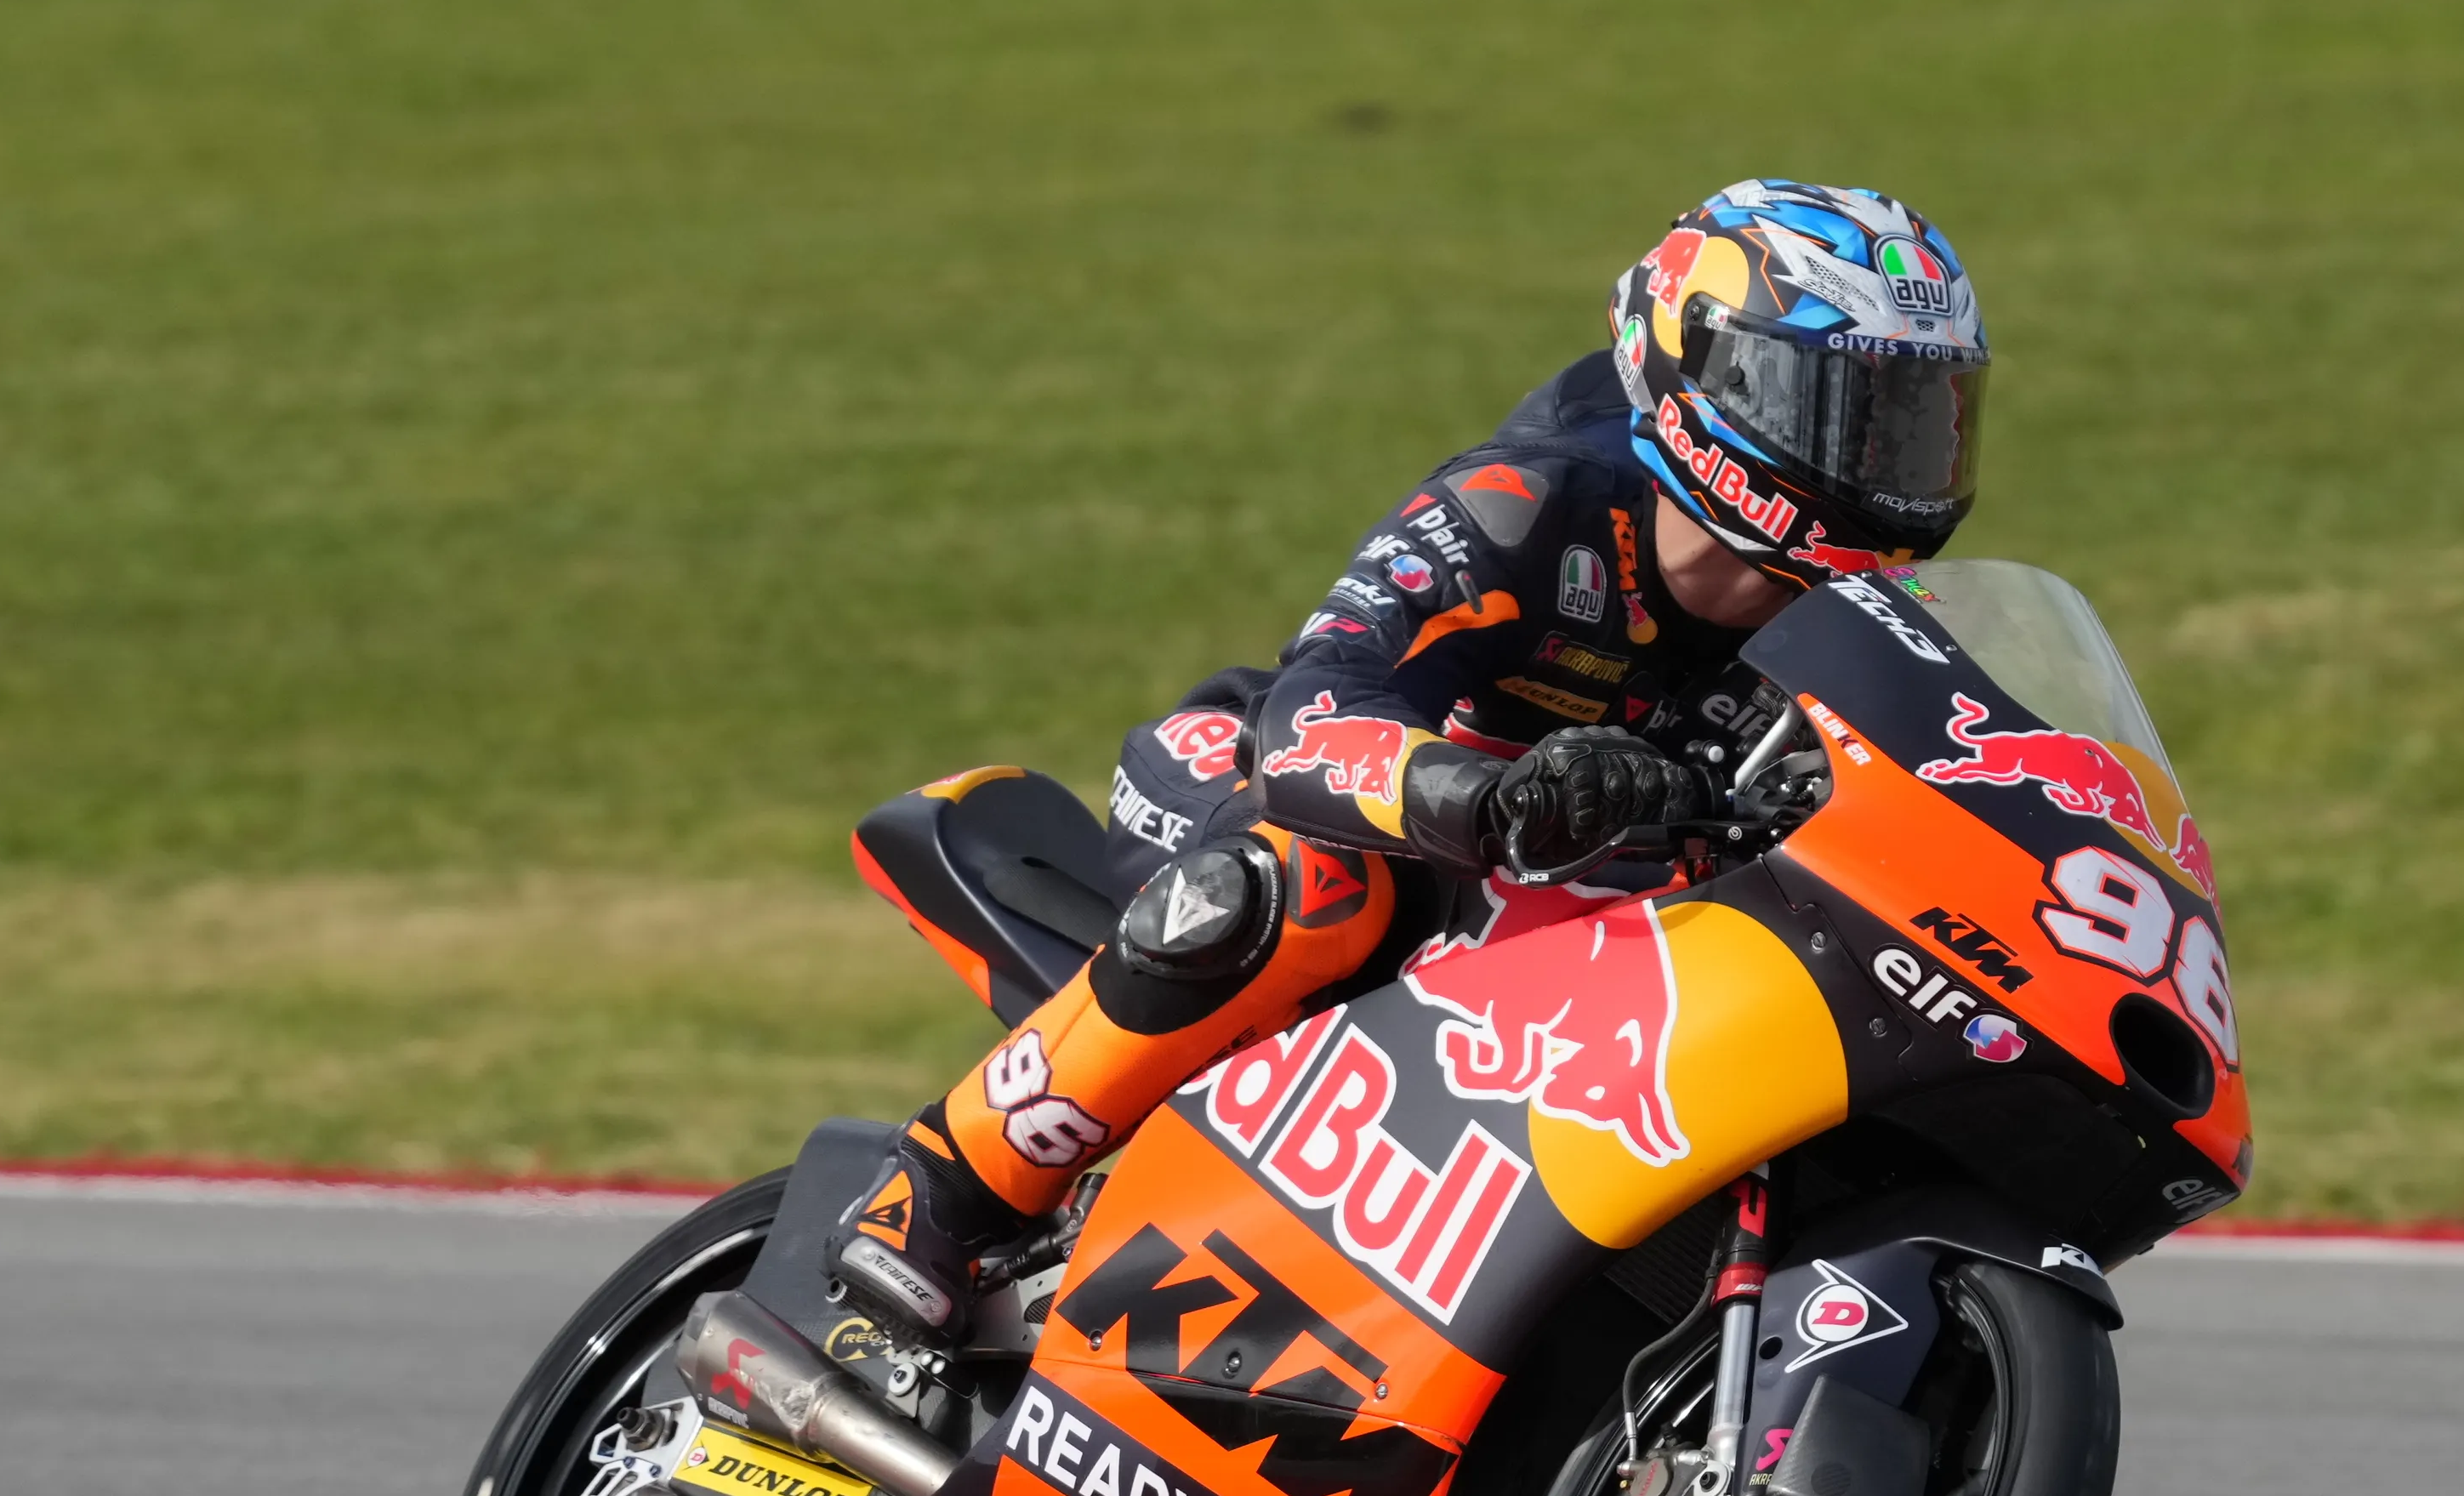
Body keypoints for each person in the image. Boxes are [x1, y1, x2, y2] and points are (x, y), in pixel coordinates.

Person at [828, 179, 1993, 1342]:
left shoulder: (1858, 626)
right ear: (1703, 368)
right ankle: (936, 1191)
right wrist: (1487, 801)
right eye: (1844, 408)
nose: (1884, 457)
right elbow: (1313, 712)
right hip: (1267, 789)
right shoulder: (1533, 503)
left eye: (1916, 420)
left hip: (1553, 904)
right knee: (1311, 882)